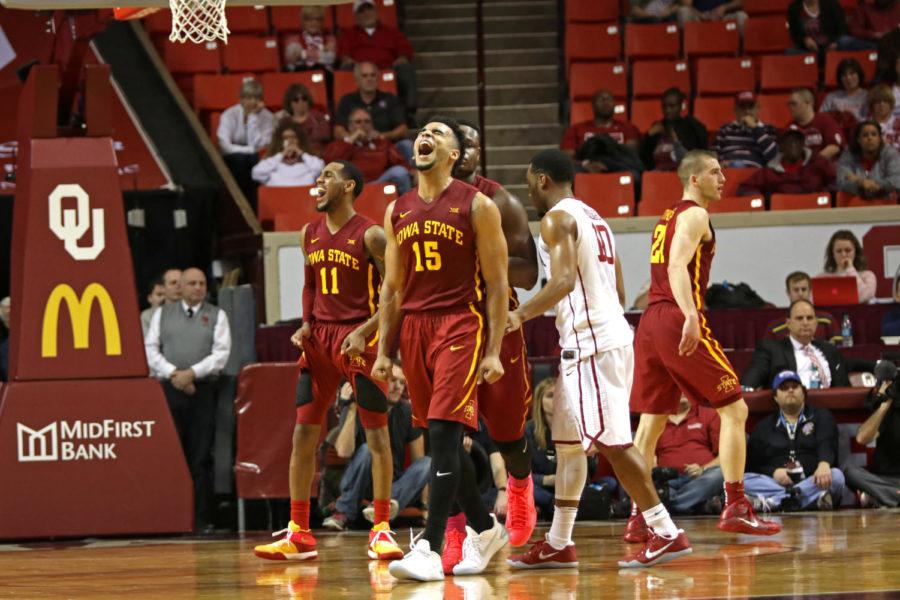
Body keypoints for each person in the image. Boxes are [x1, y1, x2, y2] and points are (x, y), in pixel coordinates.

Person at [505, 148, 691, 570]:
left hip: (591, 345)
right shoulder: (596, 219)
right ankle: (558, 541)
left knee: (612, 442)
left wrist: (520, 314)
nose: (529, 191)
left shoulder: (556, 219)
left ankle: (665, 531)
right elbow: (619, 288)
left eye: (529, 182)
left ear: (541, 180)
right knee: (569, 447)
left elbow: (565, 280)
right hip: (607, 336)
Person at [371, 116, 510, 581]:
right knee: (439, 438)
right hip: (414, 328)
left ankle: (430, 546)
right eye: (422, 132)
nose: (425, 137)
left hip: (459, 324)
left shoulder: (477, 206)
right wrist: (383, 351)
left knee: (446, 435)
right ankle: (485, 527)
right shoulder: (398, 210)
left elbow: (496, 285)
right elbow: (391, 288)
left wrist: (492, 350)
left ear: (455, 154)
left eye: (438, 133)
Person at [252, 160, 404, 562]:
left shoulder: (371, 234)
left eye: (328, 177)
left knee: (376, 435)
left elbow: (396, 293)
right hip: (319, 340)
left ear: (349, 186)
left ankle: (382, 528)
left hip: (358, 337)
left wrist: (368, 331)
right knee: (303, 433)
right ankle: (299, 531)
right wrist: (305, 324)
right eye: (318, 177)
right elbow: (309, 286)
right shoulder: (308, 234)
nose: (319, 182)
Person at [629, 150, 781, 542]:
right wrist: (692, 316)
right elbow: (678, 266)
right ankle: (736, 506)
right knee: (736, 408)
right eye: (714, 172)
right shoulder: (695, 214)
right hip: (677, 315)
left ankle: (639, 516)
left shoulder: (667, 215)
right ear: (694, 178)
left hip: (650, 321)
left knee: (650, 422)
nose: (723, 178)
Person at [441, 119, 538, 573]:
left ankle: (519, 486)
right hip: (443, 324)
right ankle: (457, 525)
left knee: (507, 432)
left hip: (495, 322)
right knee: (447, 436)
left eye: (477, 145)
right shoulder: (418, 204)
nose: (470, 152)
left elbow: (529, 272)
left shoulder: (499, 200)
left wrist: (482, 265)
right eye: (463, 145)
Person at [144, 268, 231, 533]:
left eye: (202, 283)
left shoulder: (217, 315)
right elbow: (151, 349)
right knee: (172, 454)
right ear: (180, 286)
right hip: (169, 390)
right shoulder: (162, 314)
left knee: (201, 456)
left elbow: (221, 353)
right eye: (192, 283)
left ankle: (201, 519)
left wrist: (192, 373)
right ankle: (170, 518)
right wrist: (174, 374)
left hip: (203, 391)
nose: (197, 288)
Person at [326, 362, 431, 528]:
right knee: (369, 450)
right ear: (379, 381)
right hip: (361, 482)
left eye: (402, 383)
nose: (398, 387)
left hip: (393, 486)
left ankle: (380, 505)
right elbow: (343, 451)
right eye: (393, 380)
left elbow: (419, 464)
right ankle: (343, 513)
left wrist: (425, 506)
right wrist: (352, 409)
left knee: (428, 463)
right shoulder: (357, 406)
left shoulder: (407, 412)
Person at [745, 371, 845, 510]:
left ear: (803, 392)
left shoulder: (821, 416)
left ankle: (774, 502)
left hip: (812, 479)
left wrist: (824, 464)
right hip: (776, 483)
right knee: (743, 480)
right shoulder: (763, 427)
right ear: (775, 396)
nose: (790, 390)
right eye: (784, 388)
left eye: (795, 386)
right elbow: (754, 464)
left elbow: (827, 443)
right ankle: (797, 500)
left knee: (837, 476)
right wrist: (773, 472)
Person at [742, 299, 852, 390]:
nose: (805, 322)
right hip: (793, 410)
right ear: (788, 324)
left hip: (830, 408)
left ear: (816, 323)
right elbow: (750, 381)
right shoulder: (772, 349)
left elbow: (849, 366)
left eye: (809, 318)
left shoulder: (829, 349)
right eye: (799, 318)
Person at [337, 0, 417, 123]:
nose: (366, 13)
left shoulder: (391, 31)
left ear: (375, 11)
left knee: (406, 68)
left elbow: (406, 49)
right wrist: (346, 58)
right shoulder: (349, 34)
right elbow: (342, 53)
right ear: (356, 16)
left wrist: (403, 57)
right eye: (362, 11)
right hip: (361, 71)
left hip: (387, 69)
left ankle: (409, 112)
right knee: (345, 69)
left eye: (369, 9)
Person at [655, 395, 726, 515]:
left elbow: (724, 456)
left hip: (701, 478)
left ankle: (670, 506)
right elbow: (649, 454)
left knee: (721, 473)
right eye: (677, 386)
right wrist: (656, 471)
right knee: (644, 478)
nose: (682, 391)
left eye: (684, 386)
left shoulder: (709, 414)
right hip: (666, 482)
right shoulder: (655, 418)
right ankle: (695, 504)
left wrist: (702, 469)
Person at [334, 62, 412, 161]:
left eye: (373, 75)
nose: (369, 79)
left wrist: (381, 136)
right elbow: (338, 130)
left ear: (378, 79)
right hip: (356, 149)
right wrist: (351, 138)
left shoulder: (390, 99)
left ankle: (413, 174)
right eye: (364, 76)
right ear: (356, 80)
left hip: (386, 149)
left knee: (407, 145)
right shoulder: (347, 100)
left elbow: (402, 128)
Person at [324, 107, 411, 193]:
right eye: (358, 122)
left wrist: (413, 172)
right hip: (352, 189)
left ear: (372, 125)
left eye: (367, 121)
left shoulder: (381, 143)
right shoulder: (340, 144)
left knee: (400, 172)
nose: (363, 124)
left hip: (379, 183)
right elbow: (331, 164)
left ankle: (408, 206)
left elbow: (400, 162)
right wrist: (351, 139)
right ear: (350, 126)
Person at [217, 79, 276, 205]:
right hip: (233, 158)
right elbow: (224, 146)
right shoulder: (229, 115)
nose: (253, 102)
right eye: (249, 98)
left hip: (256, 157)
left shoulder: (268, 117)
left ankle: (256, 204)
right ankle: (240, 202)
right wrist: (248, 150)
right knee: (241, 160)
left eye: (257, 98)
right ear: (241, 99)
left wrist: (253, 117)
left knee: (254, 160)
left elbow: (259, 145)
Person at [845, 372, 900, 507]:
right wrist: (886, 403)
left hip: (887, 485)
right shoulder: (890, 410)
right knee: (851, 473)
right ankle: (889, 497)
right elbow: (862, 438)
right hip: (885, 479)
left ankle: (881, 498)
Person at [736, 129, 836, 202]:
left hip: (815, 212)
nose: (794, 144)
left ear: (803, 144)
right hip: (780, 216)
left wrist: (822, 194)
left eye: (797, 141)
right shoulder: (769, 171)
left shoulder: (818, 163)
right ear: (781, 146)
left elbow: (836, 181)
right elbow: (744, 189)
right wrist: (766, 199)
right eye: (790, 141)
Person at [640, 88, 708, 172]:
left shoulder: (690, 125)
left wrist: (675, 139)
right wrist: (648, 135)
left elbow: (693, 156)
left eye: (672, 106)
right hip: (658, 173)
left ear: (680, 106)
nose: (668, 110)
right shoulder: (657, 127)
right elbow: (644, 158)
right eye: (664, 107)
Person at [561, 90, 641, 159]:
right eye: (601, 100)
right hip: (587, 167)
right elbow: (568, 156)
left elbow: (630, 154)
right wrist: (585, 164)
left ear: (614, 104)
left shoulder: (628, 128)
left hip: (619, 166)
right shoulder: (575, 129)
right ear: (593, 105)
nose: (605, 103)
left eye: (609, 99)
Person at [765, 271, 838, 342]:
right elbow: (766, 353)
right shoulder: (775, 328)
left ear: (810, 291)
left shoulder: (827, 320)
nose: (800, 294)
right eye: (796, 290)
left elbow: (840, 349)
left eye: (804, 289)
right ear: (788, 293)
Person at [787, 0, 876, 57]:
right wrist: (804, 40)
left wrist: (835, 43)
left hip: (834, 46)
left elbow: (842, 27)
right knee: (790, 52)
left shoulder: (831, 3)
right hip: (810, 51)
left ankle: (876, 48)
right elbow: (795, 35)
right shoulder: (794, 8)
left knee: (845, 40)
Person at [837, 120, 900, 200]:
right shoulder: (849, 155)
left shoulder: (890, 154)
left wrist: (874, 184)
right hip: (855, 206)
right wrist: (861, 183)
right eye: (865, 135)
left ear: (880, 139)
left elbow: (897, 180)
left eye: (874, 134)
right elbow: (841, 181)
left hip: (885, 204)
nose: (870, 138)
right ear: (858, 140)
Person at [714, 92, 779, 169]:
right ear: (735, 110)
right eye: (742, 108)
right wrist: (719, 164)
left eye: (751, 107)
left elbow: (775, 157)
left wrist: (756, 128)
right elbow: (713, 155)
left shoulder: (768, 129)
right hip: (728, 172)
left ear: (757, 108)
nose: (747, 112)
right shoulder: (725, 129)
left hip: (755, 173)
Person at [252, 121, 325, 187]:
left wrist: (301, 154)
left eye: (293, 137)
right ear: (280, 141)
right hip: (277, 197)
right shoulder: (273, 160)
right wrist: (281, 155)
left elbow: (320, 170)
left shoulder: (309, 159)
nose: (290, 141)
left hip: (304, 198)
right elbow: (256, 173)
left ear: (300, 140)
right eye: (286, 138)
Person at [818, 229, 877, 303]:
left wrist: (850, 269)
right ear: (833, 254)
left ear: (855, 252)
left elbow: (865, 296)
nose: (843, 255)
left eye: (848, 250)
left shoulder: (867, 275)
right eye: (839, 251)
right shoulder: (822, 278)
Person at [274, 83, 332, 154]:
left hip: (315, 155)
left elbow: (326, 135)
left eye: (304, 98)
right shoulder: (285, 122)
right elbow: (279, 142)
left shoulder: (318, 116)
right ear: (289, 103)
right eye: (296, 100)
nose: (301, 102)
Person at [787, 88, 844, 160]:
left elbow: (834, 147)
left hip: (826, 166)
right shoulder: (790, 127)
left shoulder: (825, 120)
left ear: (809, 103)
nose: (790, 107)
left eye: (794, 104)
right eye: (789, 104)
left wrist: (814, 161)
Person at [282, 5, 337, 72]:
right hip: (301, 74)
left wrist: (302, 54)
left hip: (323, 74)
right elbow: (292, 57)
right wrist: (321, 51)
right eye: (309, 19)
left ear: (322, 22)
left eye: (317, 19)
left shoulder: (330, 40)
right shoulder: (293, 39)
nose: (314, 23)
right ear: (303, 21)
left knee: (319, 68)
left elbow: (329, 59)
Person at [821, 59, 870, 123]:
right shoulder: (831, 96)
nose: (848, 78)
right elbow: (821, 118)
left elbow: (870, 121)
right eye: (844, 75)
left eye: (852, 74)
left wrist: (853, 116)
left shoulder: (867, 96)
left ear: (859, 75)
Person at [865, 85, 900, 152]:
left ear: (890, 104)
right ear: (872, 105)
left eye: (885, 101)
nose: (881, 104)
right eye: (878, 101)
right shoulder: (864, 124)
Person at [678, 0, 748, 31]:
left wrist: (724, 7)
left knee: (742, 16)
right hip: (699, 18)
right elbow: (686, 4)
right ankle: (686, 53)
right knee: (684, 11)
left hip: (723, 18)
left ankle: (740, 56)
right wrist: (701, 15)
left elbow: (739, 2)